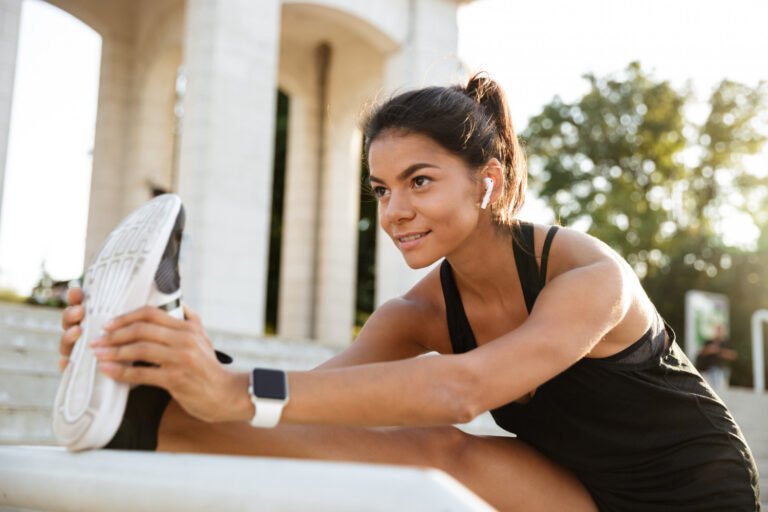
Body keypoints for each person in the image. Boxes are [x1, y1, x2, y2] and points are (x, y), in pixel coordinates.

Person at [58, 74, 760, 511]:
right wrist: (180, 364)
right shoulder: (417, 312)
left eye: (419, 181)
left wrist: (235, 387)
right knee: (437, 451)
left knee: (443, 426)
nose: (393, 211)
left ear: (486, 181)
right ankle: (147, 422)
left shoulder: (590, 276)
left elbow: (464, 389)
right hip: (578, 491)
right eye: (381, 190)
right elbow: (305, 404)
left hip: (697, 494)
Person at [695, 324, 738, 392]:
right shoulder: (709, 341)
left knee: (721, 389)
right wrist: (709, 350)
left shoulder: (726, 343)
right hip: (708, 369)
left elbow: (733, 355)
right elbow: (701, 353)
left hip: (723, 369)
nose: (719, 332)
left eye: (720, 330)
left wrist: (718, 351)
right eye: (717, 330)